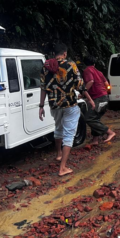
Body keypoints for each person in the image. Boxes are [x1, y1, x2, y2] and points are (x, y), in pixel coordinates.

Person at [39, 43, 88, 177]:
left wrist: (41, 106)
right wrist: (88, 98)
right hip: (70, 105)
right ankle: (63, 168)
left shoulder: (46, 67)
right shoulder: (71, 65)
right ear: (65, 53)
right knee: (69, 134)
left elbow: (43, 87)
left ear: (55, 54)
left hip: (54, 105)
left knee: (58, 128)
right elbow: (80, 85)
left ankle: (59, 155)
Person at [82, 55, 116, 144]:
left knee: (89, 118)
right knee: (95, 117)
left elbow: (91, 81)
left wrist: (83, 92)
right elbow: (106, 83)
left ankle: (109, 132)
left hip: (98, 98)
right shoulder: (99, 72)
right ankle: (95, 140)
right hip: (105, 97)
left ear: (84, 63)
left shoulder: (87, 70)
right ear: (94, 63)